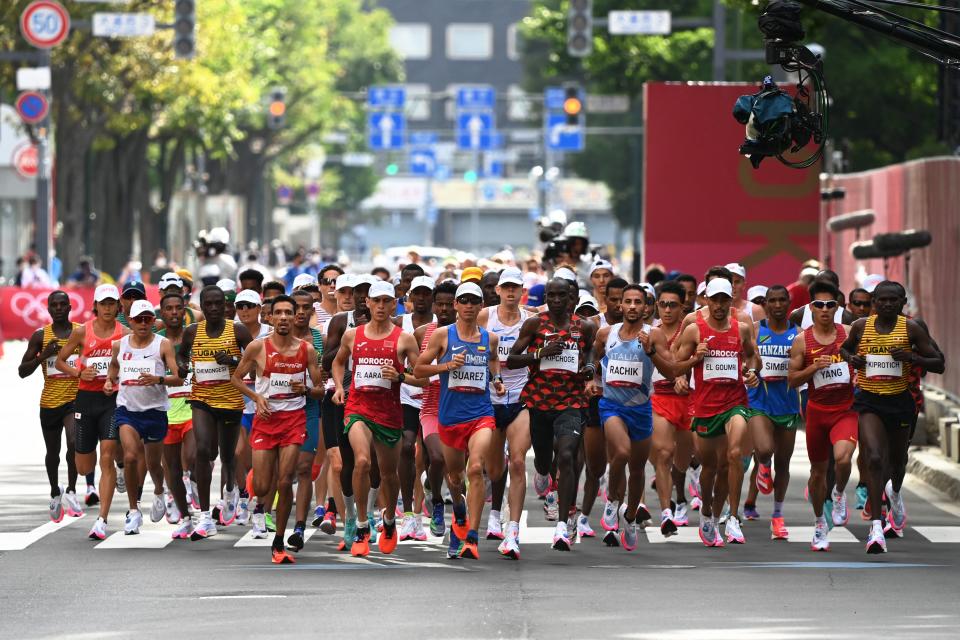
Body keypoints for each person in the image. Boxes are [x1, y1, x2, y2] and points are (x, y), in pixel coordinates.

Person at [840, 280, 944, 553]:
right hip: (869, 400)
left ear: (902, 303)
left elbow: (939, 362)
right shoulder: (862, 326)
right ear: (874, 302)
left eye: (893, 301)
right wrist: (853, 359)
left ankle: (895, 492)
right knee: (873, 458)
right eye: (881, 300)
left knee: (897, 463)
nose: (887, 304)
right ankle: (876, 527)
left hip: (900, 401)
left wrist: (912, 357)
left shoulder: (911, 328)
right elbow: (845, 348)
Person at [331, 281, 424, 557]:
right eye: (376, 301)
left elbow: (424, 378)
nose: (381, 306)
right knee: (361, 461)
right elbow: (338, 362)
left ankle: (390, 521)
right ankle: (361, 525)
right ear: (368, 304)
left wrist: (401, 377)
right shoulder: (353, 335)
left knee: (388, 475)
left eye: (387, 301)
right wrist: (339, 387)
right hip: (358, 407)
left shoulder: (404, 339)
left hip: (389, 412)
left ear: (393, 304)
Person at [415, 281, 506, 559]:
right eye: (463, 300)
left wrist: (498, 380)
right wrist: (446, 366)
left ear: (480, 306)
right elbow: (418, 369)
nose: (468, 305)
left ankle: (472, 537)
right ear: (455, 305)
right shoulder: (443, 335)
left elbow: (493, 362)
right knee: (455, 477)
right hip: (450, 417)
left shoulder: (489, 338)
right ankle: (460, 512)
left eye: (473, 301)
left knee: (476, 468)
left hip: (481, 414)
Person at [232, 294, 324, 564]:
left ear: (295, 316)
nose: (284, 317)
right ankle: (259, 499)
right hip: (266, 419)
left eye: (288, 312)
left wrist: (306, 389)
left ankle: (279, 541)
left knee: (285, 480)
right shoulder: (257, 348)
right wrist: (257, 397)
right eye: (278, 313)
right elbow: (236, 379)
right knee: (262, 486)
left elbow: (319, 391)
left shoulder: (307, 350)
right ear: (269, 318)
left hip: (294, 419)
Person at [507, 278, 597, 551]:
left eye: (562, 295)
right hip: (539, 402)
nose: (557, 300)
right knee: (545, 458)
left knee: (568, 454)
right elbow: (511, 359)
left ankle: (561, 526)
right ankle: (544, 475)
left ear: (573, 297)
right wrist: (539, 353)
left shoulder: (585, 327)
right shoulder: (535, 324)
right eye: (552, 295)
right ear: (546, 297)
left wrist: (590, 367)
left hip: (571, 401)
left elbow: (590, 350)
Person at [674, 278, 760, 547]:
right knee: (710, 467)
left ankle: (733, 517)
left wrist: (751, 371)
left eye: (725, 299)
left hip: (735, 401)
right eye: (715, 299)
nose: (720, 305)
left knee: (733, 456)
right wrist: (692, 363)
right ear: (706, 301)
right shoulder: (693, 330)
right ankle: (708, 513)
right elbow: (677, 362)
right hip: (704, 407)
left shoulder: (742, 328)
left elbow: (752, 356)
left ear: (731, 301)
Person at [594, 284, 674, 551]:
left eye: (637, 302)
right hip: (611, 405)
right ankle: (612, 501)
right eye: (627, 301)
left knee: (638, 470)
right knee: (622, 453)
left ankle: (628, 517)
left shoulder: (655, 335)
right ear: (620, 306)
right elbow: (594, 359)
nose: (631, 306)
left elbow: (670, 369)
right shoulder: (607, 333)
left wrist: (650, 350)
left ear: (646, 307)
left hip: (641, 408)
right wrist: (592, 379)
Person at [177, 285, 253, 539]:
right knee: (203, 450)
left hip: (230, 401)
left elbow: (255, 364)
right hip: (202, 398)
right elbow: (181, 357)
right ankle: (206, 516)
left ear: (225, 306)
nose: (212, 308)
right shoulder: (192, 332)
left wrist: (232, 362)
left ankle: (230, 489)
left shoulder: (238, 331)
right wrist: (182, 366)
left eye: (217, 304)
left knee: (227, 455)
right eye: (207, 304)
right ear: (202, 305)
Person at [787, 280, 857, 551]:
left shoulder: (849, 333)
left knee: (842, 458)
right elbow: (792, 380)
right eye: (819, 305)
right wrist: (813, 367)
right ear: (811, 308)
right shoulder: (801, 340)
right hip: (817, 411)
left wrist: (858, 374)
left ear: (837, 307)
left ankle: (838, 493)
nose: (825, 310)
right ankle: (819, 522)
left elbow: (862, 362)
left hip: (845, 410)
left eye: (830, 305)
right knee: (817, 474)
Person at [55, 284, 128, 540]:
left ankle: (101, 520)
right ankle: (98, 470)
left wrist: (115, 378)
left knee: (106, 457)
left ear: (118, 305)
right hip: (85, 400)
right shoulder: (82, 332)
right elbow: (61, 361)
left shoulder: (125, 333)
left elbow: (133, 363)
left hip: (112, 400)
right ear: (95, 306)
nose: (108, 308)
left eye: (112, 303)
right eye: (103, 303)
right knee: (85, 465)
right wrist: (78, 372)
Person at [104, 300, 182, 535]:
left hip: (155, 411)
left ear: (153, 321)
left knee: (154, 465)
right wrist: (109, 381)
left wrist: (158, 380)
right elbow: (113, 369)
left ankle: (159, 489)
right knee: (129, 456)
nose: (143, 323)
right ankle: (133, 510)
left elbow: (177, 378)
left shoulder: (163, 344)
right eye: (139, 319)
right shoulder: (119, 345)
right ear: (130, 320)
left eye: (148, 319)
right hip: (127, 410)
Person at [477, 267, 531, 555]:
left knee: (519, 463)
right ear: (497, 290)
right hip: (489, 400)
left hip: (520, 398)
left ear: (521, 291)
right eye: (505, 287)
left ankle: (512, 532)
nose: (511, 292)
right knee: (495, 470)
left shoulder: (530, 320)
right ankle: (493, 512)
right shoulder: (486, 317)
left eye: (515, 288)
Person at [322, 275, 377, 551]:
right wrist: (353, 342)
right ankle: (352, 520)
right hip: (344, 397)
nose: (363, 299)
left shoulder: (388, 326)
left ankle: (371, 514)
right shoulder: (342, 322)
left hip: (377, 398)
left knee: (374, 463)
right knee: (347, 462)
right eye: (359, 293)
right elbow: (326, 361)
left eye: (369, 294)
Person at [19, 291, 84, 521]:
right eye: (54, 305)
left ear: (69, 307)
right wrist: (42, 356)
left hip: (74, 400)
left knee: (74, 442)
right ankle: (55, 491)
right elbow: (22, 372)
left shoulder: (80, 332)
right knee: (53, 453)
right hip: (49, 402)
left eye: (62, 304)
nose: (58, 308)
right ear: (48, 309)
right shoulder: (40, 336)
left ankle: (73, 490)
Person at [745, 285, 802, 541]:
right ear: (765, 304)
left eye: (782, 300)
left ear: (789, 303)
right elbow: (743, 359)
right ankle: (762, 466)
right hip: (759, 401)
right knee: (765, 450)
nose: (777, 305)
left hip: (788, 404)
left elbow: (806, 365)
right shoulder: (756, 331)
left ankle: (777, 517)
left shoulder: (798, 334)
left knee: (784, 463)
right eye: (772, 301)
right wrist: (748, 373)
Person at [649, 281, 695, 535]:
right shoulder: (650, 333)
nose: (667, 310)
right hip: (659, 399)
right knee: (664, 454)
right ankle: (667, 512)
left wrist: (684, 376)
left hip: (688, 401)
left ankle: (680, 492)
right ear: (657, 306)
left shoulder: (690, 333)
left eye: (673, 305)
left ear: (683, 307)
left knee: (683, 460)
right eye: (663, 304)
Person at [413, 282, 458, 539]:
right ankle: (438, 503)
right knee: (437, 458)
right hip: (431, 406)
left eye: (447, 304)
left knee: (457, 471)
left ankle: (459, 515)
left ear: (457, 305)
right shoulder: (422, 333)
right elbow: (415, 370)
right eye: (438, 303)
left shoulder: (471, 333)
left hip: (462, 408)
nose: (443, 309)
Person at [393, 275, 435, 542]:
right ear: (408, 297)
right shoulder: (400, 324)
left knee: (432, 457)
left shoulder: (443, 326)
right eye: (415, 293)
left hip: (434, 396)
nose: (420, 298)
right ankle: (408, 513)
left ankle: (425, 506)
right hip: (407, 395)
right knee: (407, 447)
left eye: (425, 293)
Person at [156, 292, 199, 538]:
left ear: (185, 311)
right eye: (168, 308)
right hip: (164, 411)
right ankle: (185, 517)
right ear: (162, 313)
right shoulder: (155, 341)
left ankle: (190, 479)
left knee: (192, 455)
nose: (174, 312)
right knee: (171, 468)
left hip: (192, 407)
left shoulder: (195, 336)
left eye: (178, 308)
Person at [286, 290, 325, 551]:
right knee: (280, 475)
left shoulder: (319, 340)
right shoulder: (272, 339)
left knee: (303, 469)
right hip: (279, 412)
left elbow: (321, 387)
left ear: (312, 310)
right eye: (295, 308)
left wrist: (308, 389)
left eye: (306, 308)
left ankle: (299, 527)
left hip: (309, 409)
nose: (301, 312)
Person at [234, 289, 272, 534]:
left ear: (259, 309)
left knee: (263, 462)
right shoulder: (232, 332)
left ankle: (261, 508)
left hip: (265, 405)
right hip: (237, 402)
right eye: (240, 306)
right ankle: (243, 492)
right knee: (238, 453)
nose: (245, 310)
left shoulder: (270, 333)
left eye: (250, 305)